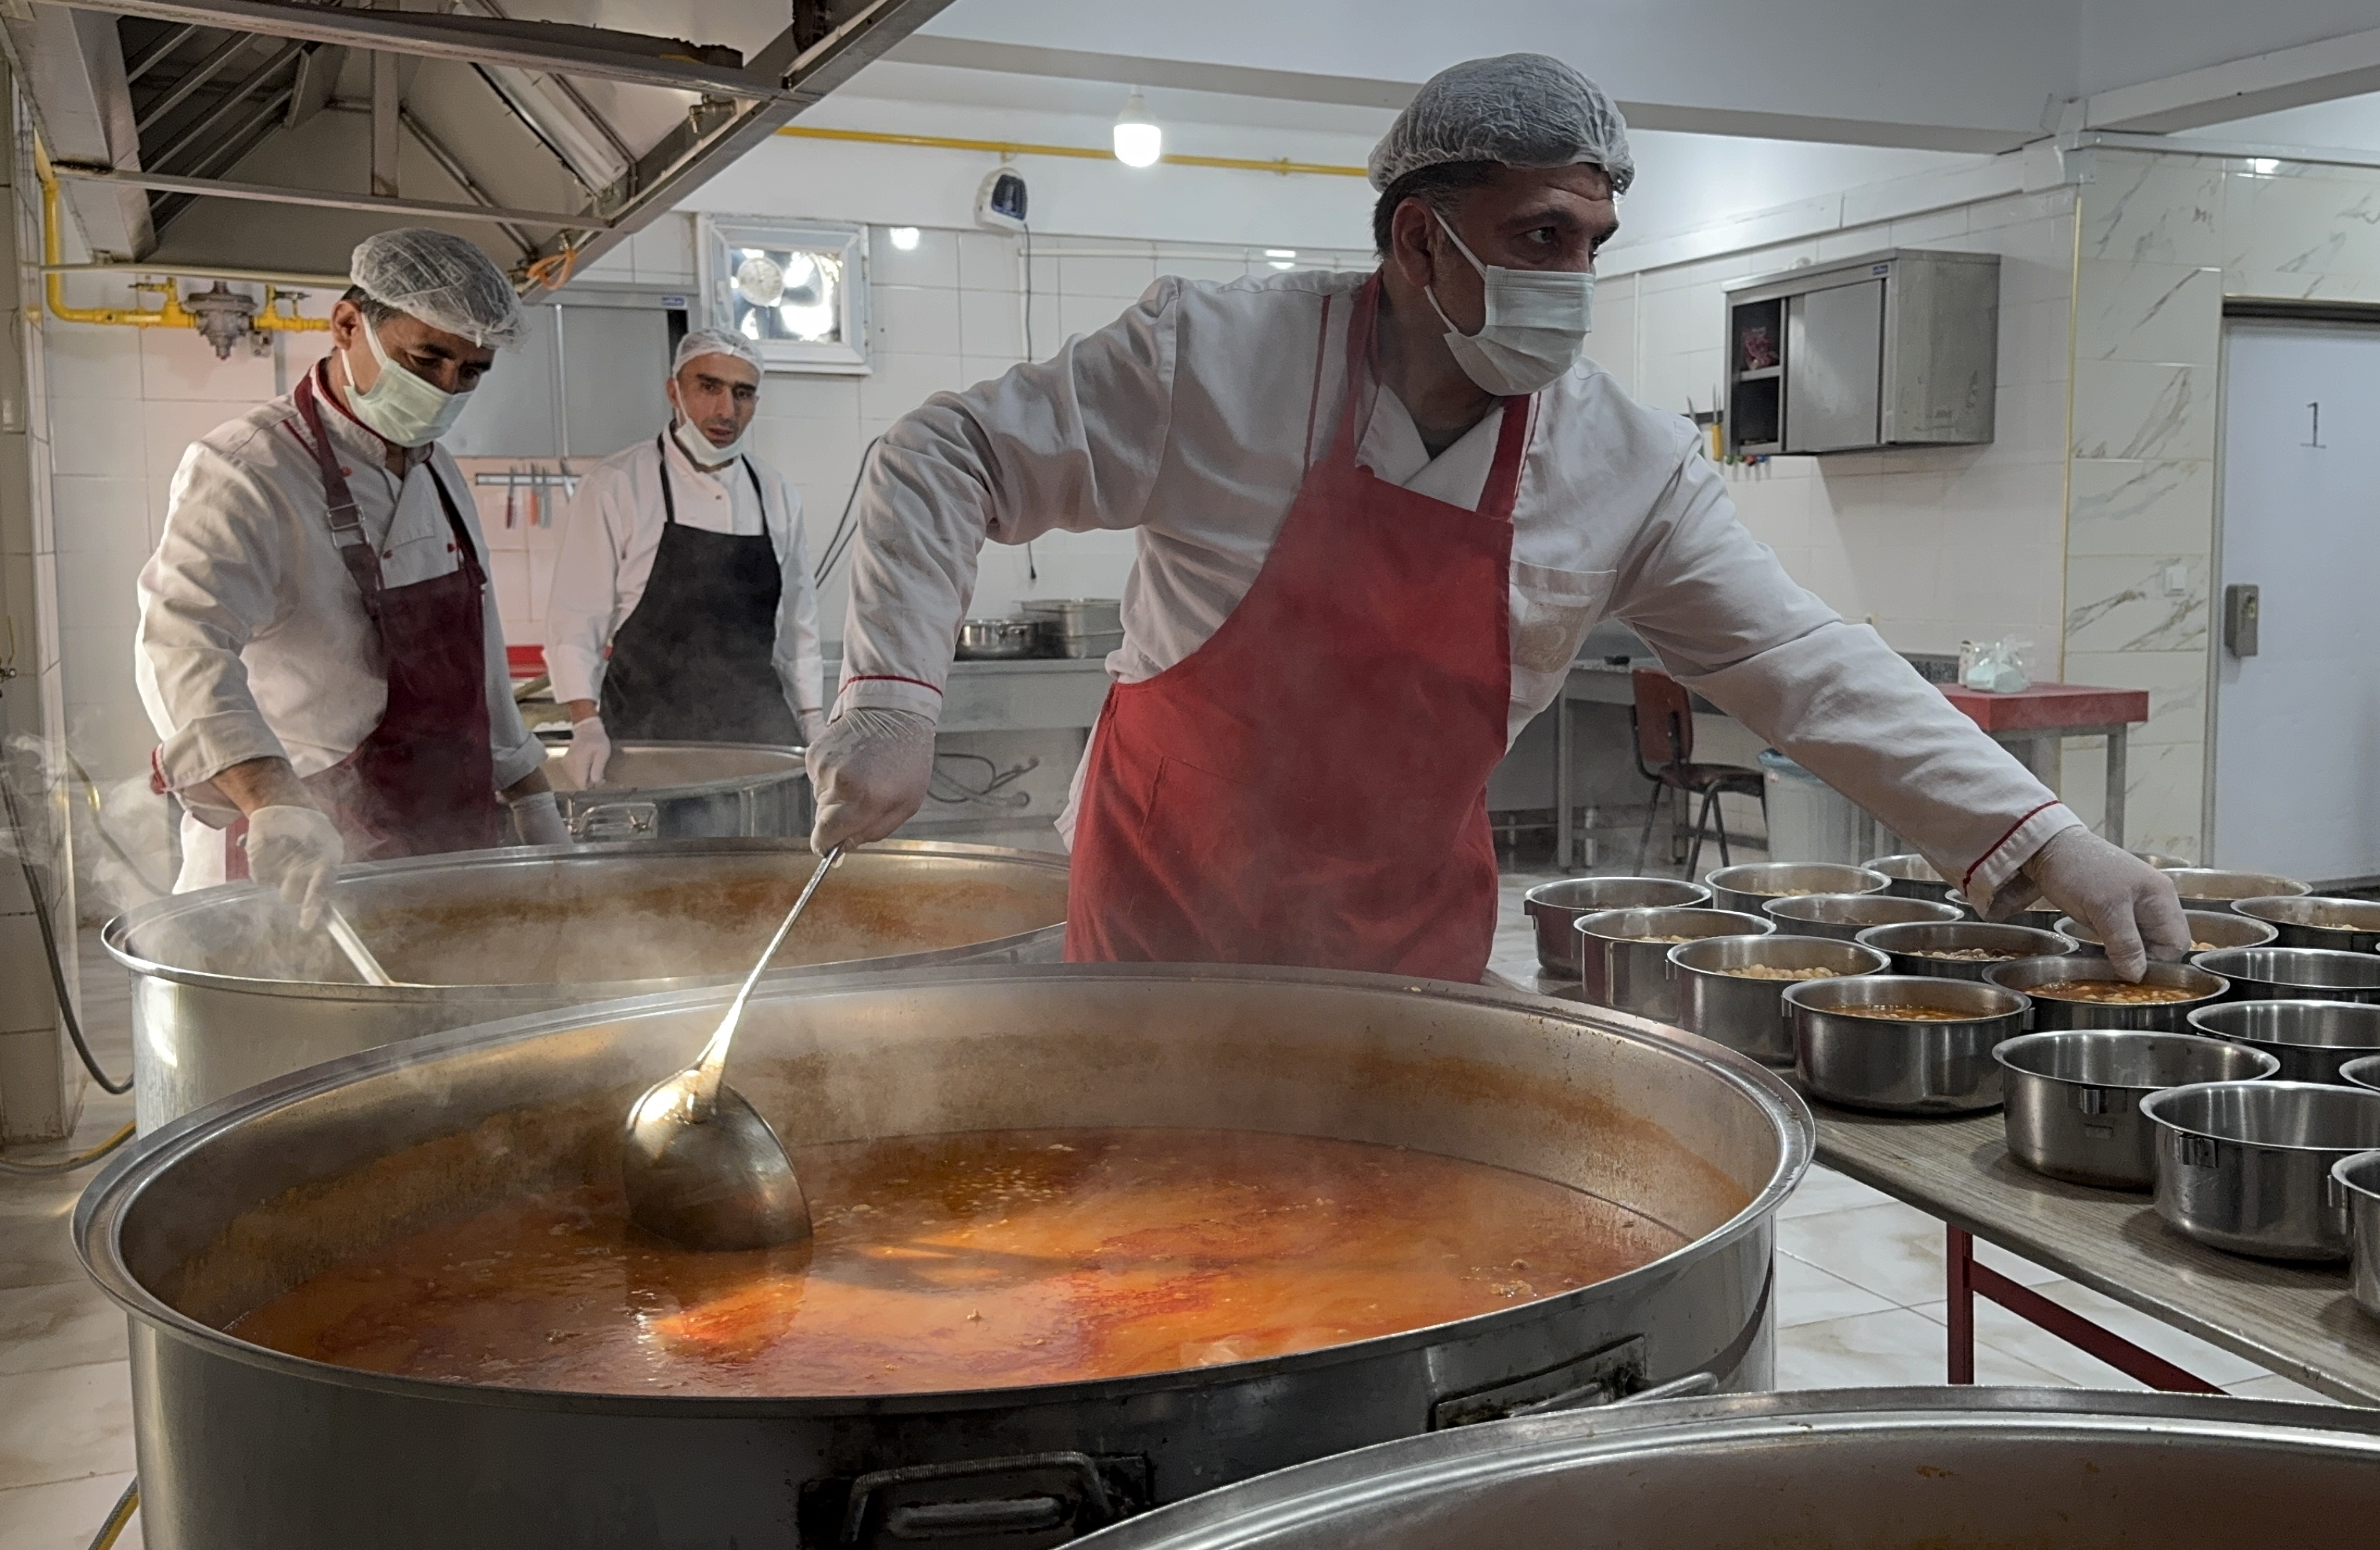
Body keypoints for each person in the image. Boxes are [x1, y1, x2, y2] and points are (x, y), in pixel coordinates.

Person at [808, 53, 2189, 981]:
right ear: (1419, 241)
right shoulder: (1215, 363)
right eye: (1540, 237)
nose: (1573, 281)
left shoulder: (1621, 464)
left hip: (1404, 963)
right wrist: (889, 696)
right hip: (1163, 936)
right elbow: (946, 456)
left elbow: (1804, 664)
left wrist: (2042, 836)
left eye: (1592, 246)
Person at [136, 227, 567, 921]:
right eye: (426, 359)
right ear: (347, 324)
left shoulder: (437, 468)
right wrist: (270, 796)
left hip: (446, 847)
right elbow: (182, 645)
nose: (447, 390)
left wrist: (533, 799)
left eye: (472, 371)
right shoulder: (247, 469)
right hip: (301, 857)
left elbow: (480, 660)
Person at [543, 330, 823, 786]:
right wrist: (585, 723)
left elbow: (799, 625)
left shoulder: (775, 493)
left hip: (755, 736)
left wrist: (813, 722)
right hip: (645, 738)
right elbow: (577, 619)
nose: (726, 411)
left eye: (743, 393)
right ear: (674, 390)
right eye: (708, 387)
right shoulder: (617, 484)